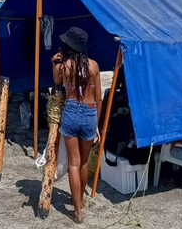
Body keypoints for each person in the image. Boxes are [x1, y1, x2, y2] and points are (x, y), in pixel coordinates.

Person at [51, 27, 101, 224]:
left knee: (73, 162)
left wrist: (54, 63)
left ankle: (78, 210)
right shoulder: (94, 66)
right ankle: (80, 199)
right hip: (89, 111)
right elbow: (98, 97)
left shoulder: (65, 65)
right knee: (84, 162)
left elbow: (56, 81)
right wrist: (97, 122)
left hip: (71, 110)